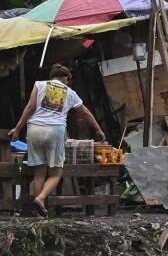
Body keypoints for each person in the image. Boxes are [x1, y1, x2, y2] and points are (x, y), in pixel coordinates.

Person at [8, 64, 106, 217]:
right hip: (55, 131)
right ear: (66, 78)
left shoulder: (39, 85)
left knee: (39, 173)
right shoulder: (70, 93)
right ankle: (40, 199)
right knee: (55, 173)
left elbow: (29, 107)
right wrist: (98, 129)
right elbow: (85, 113)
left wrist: (17, 129)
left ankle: (37, 212)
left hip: (34, 129)